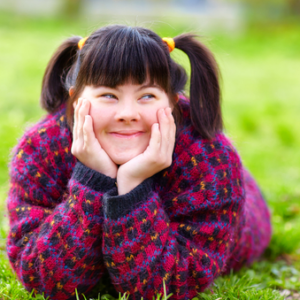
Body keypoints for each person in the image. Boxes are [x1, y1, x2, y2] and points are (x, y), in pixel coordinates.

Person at [6, 25, 271, 300]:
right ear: (75, 101)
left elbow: (167, 288)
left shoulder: (209, 159)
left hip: (246, 210)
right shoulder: (43, 148)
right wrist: (93, 181)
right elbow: (44, 281)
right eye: (108, 95)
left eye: (147, 96)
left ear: (172, 102)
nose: (128, 114)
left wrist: (132, 188)